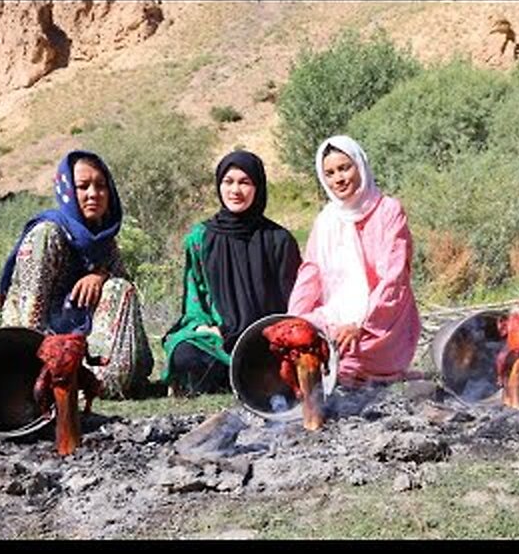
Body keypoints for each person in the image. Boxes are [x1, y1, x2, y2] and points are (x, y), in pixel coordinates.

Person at [0, 150, 153, 398]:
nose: (93, 194)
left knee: (120, 288)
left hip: (83, 344)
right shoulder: (47, 234)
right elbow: (30, 313)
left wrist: (100, 276)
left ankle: (92, 380)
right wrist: (44, 361)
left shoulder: (104, 242)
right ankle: (52, 381)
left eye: (100, 186)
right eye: (83, 186)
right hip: (40, 347)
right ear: (67, 191)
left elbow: (123, 298)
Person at [160, 150, 302, 395]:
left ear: (258, 187)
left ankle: (248, 375)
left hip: (268, 339)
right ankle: (245, 378)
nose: (235, 190)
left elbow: (294, 300)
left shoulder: (279, 239)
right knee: (185, 354)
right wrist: (203, 325)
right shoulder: (200, 238)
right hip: (218, 340)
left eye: (245, 182)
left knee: (289, 357)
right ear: (219, 186)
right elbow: (194, 295)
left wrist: (276, 334)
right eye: (228, 182)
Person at [288, 135, 421, 386]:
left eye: (344, 168)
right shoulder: (326, 220)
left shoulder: (388, 210)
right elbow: (310, 274)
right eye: (330, 173)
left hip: (382, 319)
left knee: (346, 359)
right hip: (336, 313)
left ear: (360, 165)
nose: (338, 178)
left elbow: (394, 278)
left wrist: (359, 323)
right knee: (302, 341)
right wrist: (294, 320)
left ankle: (369, 370)